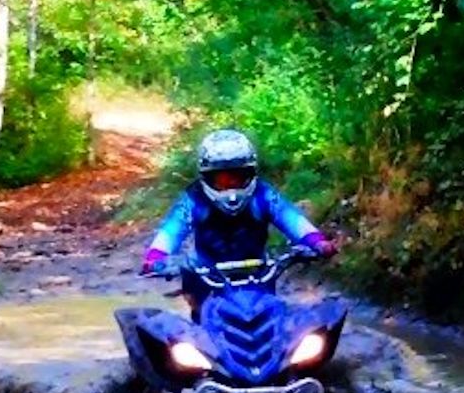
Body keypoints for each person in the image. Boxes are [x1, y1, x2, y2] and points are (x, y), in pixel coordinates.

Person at [141, 129, 336, 320]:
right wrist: (156, 257)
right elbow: (172, 230)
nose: (230, 185)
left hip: (258, 275)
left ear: (250, 173)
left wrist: (317, 242)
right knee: (195, 331)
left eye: (237, 176)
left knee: (278, 321)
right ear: (207, 177)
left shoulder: (263, 194)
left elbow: (291, 218)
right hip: (205, 276)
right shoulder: (193, 198)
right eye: (222, 179)